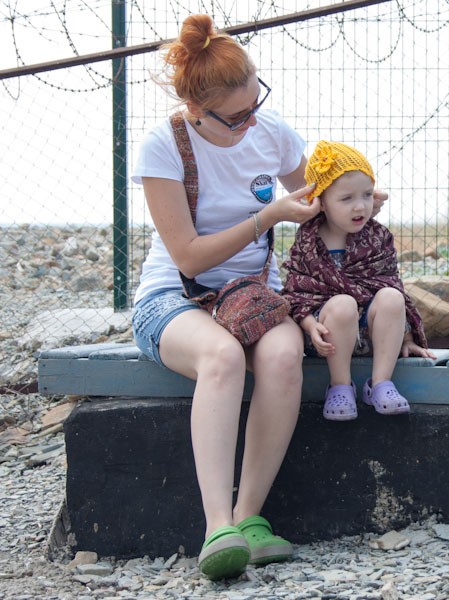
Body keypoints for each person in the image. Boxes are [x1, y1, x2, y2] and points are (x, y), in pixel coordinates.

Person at [130, 15, 387, 581]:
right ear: (198, 109)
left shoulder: (271, 131)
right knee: (221, 358)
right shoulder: (163, 146)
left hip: (252, 295)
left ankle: (250, 519)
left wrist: (355, 201)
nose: (251, 122)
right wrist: (266, 217)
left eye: (256, 103)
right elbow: (190, 257)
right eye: (238, 115)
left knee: (282, 353)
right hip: (173, 299)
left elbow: (321, 211)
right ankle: (216, 526)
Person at [282, 141, 435, 422]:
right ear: (321, 202)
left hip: (366, 333)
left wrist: (407, 335)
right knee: (341, 304)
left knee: (391, 296)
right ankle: (340, 386)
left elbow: (391, 283)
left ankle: (380, 384)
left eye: (366, 195)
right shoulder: (309, 241)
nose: (360, 206)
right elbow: (296, 294)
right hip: (325, 334)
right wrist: (308, 324)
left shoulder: (377, 238)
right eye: (346, 198)